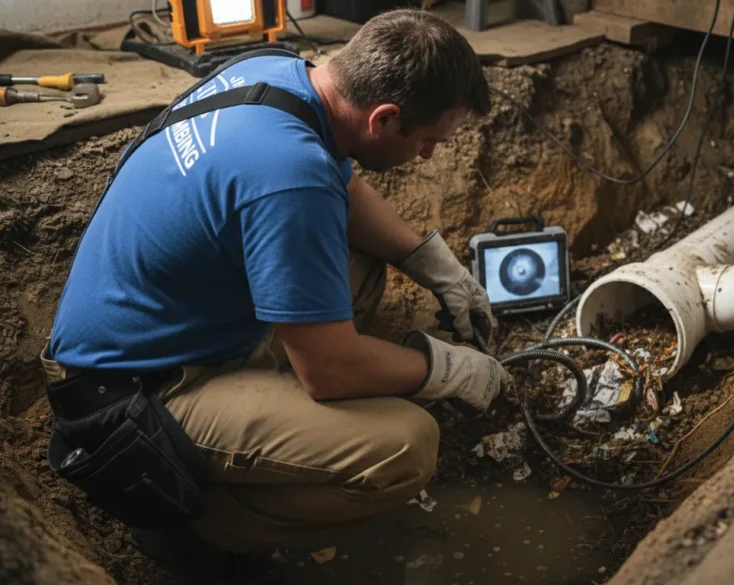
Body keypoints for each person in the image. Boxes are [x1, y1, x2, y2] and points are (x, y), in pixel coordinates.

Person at [40, 7, 510, 574]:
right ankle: (196, 525)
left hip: (152, 328)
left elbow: (340, 181)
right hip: (130, 398)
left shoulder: (281, 72)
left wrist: (433, 265)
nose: (431, 154)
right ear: (384, 120)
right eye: (430, 140)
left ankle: (276, 422)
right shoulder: (290, 174)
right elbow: (331, 372)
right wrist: (449, 370)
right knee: (406, 445)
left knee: (361, 263)